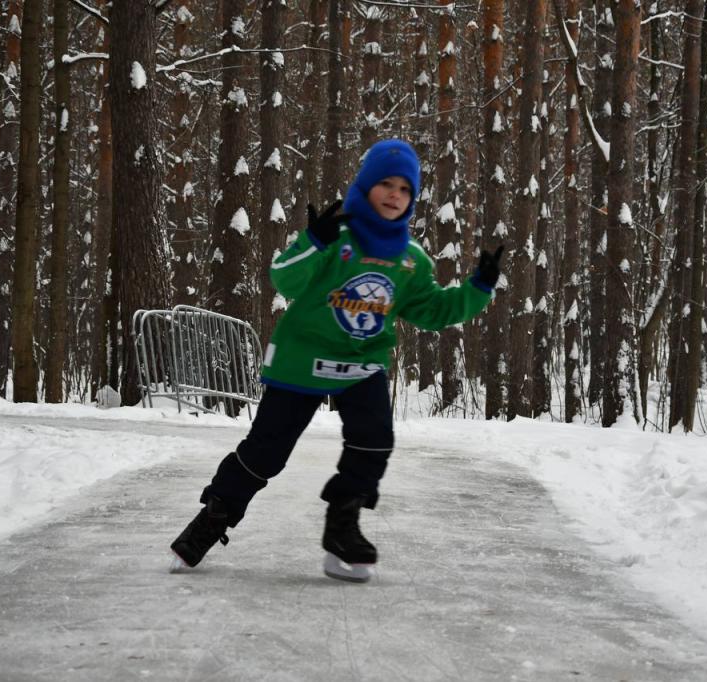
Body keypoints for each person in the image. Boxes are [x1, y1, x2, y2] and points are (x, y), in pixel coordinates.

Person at [170, 138, 503, 581]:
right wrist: (312, 242)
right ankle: (211, 519)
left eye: (405, 189)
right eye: (384, 183)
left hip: (361, 365)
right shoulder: (335, 238)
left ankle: (342, 528)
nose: (394, 194)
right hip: (300, 359)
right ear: (365, 187)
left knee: (374, 442)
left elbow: (434, 310)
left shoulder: (411, 261)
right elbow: (284, 278)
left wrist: (477, 288)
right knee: (265, 453)